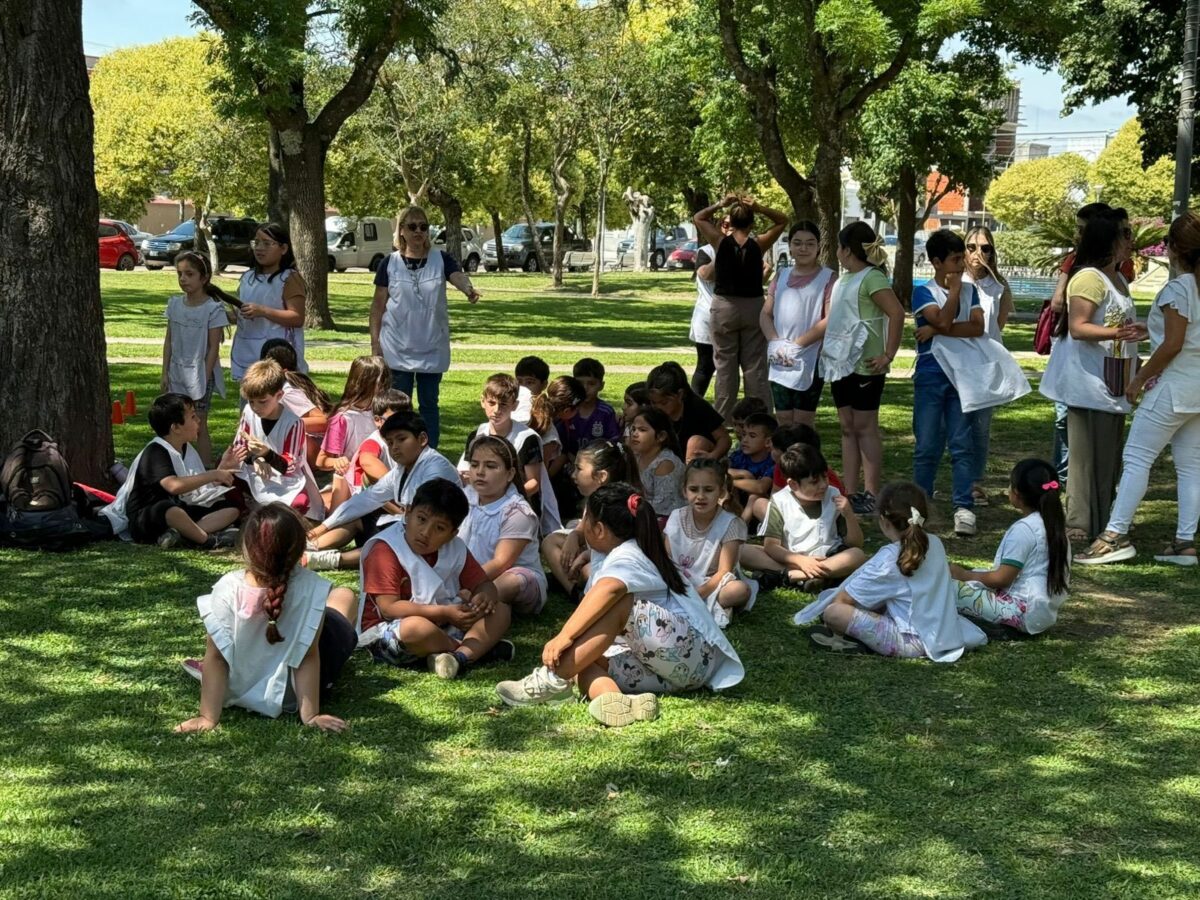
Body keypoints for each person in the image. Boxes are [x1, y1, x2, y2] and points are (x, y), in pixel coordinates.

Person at [495, 483, 744, 728]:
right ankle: (614, 700)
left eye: (585, 522)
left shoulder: (630, 554)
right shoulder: (624, 550)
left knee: (620, 601)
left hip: (693, 657)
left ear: (600, 530)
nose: (581, 529)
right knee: (585, 661)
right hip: (673, 669)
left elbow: (610, 590)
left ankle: (549, 680)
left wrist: (564, 635)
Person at [1074, 213, 1200, 566]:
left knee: (1136, 458)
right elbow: (1182, 336)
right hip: (1196, 389)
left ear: (1173, 249)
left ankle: (1114, 536)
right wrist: (1153, 331)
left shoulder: (1179, 288)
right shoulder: (1193, 288)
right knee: (1191, 466)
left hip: (1174, 389)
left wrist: (1138, 378)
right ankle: (1184, 542)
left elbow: (1174, 343)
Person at [175, 503, 358, 733]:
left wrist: (207, 717)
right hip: (295, 695)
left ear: (246, 548)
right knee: (345, 595)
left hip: (240, 689)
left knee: (340, 600)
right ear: (300, 549)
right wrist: (311, 716)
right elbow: (308, 657)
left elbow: (216, 658)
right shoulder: (312, 588)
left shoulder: (227, 589)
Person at [1040, 212, 1145, 542]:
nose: (1131, 240)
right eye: (1125, 234)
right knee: (1085, 462)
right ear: (1108, 240)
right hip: (1088, 383)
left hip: (1113, 382)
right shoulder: (1088, 278)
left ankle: (1103, 520)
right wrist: (1119, 332)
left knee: (1108, 459)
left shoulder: (1118, 279)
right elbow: (1078, 327)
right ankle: (1079, 524)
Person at [795, 482, 988, 660]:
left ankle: (859, 641)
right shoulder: (935, 544)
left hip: (912, 641)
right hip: (945, 633)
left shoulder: (889, 558)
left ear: (884, 521)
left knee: (834, 613)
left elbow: (843, 601)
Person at [356, 478, 510, 680]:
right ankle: (473, 650)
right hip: (389, 632)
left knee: (501, 610)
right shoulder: (385, 549)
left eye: (439, 528)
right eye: (421, 519)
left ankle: (457, 658)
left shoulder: (455, 548)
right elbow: (388, 608)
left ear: (452, 534)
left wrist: (485, 597)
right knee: (415, 628)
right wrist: (445, 612)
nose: (425, 532)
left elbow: (483, 584)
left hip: (445, 623)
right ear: (408, 512)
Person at [370, 205, 482, 448]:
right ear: (402, 231)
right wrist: (375, 345)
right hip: (397, 346)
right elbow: (378, 306)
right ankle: (398, 449)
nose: (418, 231)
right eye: (412, 226)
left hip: (431, 345)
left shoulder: (440, 259)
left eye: (423, 226)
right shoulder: (389, 263)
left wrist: (468, 289)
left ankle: (429, 452)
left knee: (429, 404)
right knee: (400, 404)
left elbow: (457, 276)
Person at [817, 222, 905, 515]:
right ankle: (850, 491)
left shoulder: (872, 278)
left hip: (867, 365)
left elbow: (896, 312)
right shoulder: (842, 280)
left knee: (865, 426)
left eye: (839, 248)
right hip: (841, 364)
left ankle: (871, 492)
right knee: (847, 426)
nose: (837, 254)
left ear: (846, 249)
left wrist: (887, 355)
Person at [304, 412, 458, 571]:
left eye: (401, 439)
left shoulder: (436, 469)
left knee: (388, 540)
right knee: (359, 516)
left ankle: (330, 560)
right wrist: (320, 529)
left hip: (430, 537)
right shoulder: (401, 470)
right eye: (390, 443)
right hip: (408, 526)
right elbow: (365, 499)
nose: (395, 448)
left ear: (422, 439)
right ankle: (308, 547)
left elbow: (421, 520)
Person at [911, 229, 986, 537]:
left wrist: (936, 330)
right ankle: (920, 504)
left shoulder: (973, 292)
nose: (961, 265)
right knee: (927, 444)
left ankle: (963, 505)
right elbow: (941, 318)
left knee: (961, 443)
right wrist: (953, 294)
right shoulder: (923, 291)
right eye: (955, 259)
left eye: (962, 259)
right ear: (937, 262)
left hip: (961, 377)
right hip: (931, 375)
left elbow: (977, 327)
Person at [100, 393, 239, 549]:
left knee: (231, 509)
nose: (198, 420)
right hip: (147, 518)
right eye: (193, 417)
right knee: (171, 511)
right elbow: (174, 485)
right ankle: (206, 540)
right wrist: (213, 474)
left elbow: (196, 487)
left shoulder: (186, 449)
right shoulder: (156, 451)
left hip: (178, 507)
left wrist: (221, 471)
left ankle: (183, 534)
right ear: (176, 427)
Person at [693, 194, 789, 420]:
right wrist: (759, 206)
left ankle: (723, 419)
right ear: (752, 223)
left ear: (730, 224)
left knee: (725, 366)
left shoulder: (720, 241)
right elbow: (783, 220)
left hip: (724, 306)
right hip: (754, 306)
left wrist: (720, 204)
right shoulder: (759, 244)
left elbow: (699, 217)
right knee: (755, 365)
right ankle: (760, 417)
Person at [951, 459, 1071, 633]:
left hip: (1018, 611)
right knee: (977, 577)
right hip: (1041, 614)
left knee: (947, 589)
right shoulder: (1054, 526)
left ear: (1016, 493)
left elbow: (1002, 578)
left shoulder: (1024, 529)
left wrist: (964, 575)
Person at [1048, 202, 1118, 483]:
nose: (1077, 234)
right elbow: (1062, 308)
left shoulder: (1109, 270)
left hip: (1094, 361)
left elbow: (1060, 304)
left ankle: (1076, 476)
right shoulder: (1077, 265)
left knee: (1076, 419)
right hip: (1073, 354)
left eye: (1081, 229)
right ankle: (1064, 475)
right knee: (1066, 416)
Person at [739, 445, 866, 591]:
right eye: (814, 482)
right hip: (791, 558)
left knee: (857, 555)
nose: (823, 485)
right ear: (793, 484)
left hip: (827, 558)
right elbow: (771, 546)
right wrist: (801, 561)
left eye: (825, 477)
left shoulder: (834, 495)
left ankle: (791, 577)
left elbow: (855, 543)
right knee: (741, 550)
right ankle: (810, 576)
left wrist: (849, 514)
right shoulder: (781, 501)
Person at [459, 436, 548, 617]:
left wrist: (466, 583)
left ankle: (472, 604)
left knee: (511, 579)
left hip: (511, 580)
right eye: (475, 465)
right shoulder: (463, 497)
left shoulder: (517, 512)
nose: (480, 472)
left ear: (510, 474)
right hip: (468, 577)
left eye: (491, 466)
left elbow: (501, 563)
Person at [542, 439, 642, 596]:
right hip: (594, 556)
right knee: (550, 541)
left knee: (587, 572)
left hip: (612, 566)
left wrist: (585, 556)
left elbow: (615, 550)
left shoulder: (617, 507)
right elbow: (582, 529)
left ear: (601, 476)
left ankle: (578, 590)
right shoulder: (593, 500)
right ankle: (575, 591)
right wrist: (574, 536)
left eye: (579, 469)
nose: (573, 475)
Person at [665, 458, 757, 627]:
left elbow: (724, 571)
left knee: (739, 590)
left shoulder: (729, 523)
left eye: (708, 490)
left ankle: (716, 604)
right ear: (684, 491)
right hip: (680, 580)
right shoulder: (676, 516)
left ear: (721, 491)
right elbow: (667, 559)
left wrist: (699, 594)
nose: (700, 496)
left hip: (713, 583)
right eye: (693, 489)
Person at [227, 359, 325, 519]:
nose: (256, 407)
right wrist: (256, 459)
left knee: (300, 502)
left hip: (283, 480)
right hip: (253, 472)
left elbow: (290, 465)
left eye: (262, 402)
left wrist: (267, 454)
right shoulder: (248, 412)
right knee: (226, 477)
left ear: (279, 395)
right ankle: (243, 512)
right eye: (251, 402)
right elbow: (239, 446)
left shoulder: (293, 422)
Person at [459, 374, 556, 533]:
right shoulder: (477, 434)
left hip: (516, 505)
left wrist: (499, 496)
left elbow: (534, 483)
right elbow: (466, 471)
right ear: (483, 401)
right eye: (492, 403)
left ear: (515, 405)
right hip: (480, 501)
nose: (497, 410)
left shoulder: (526, 438)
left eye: (503, 404)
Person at [160, 251, 232, 465]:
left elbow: (212, 349)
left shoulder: (213, 309)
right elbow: (169, 341)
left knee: (198, 426)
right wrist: (164, 372)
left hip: (200, 375)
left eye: (189, 274)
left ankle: (206, 472)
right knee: (175, 425)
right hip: (177, 373)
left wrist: (204, 377)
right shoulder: (174, 305)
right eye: (180, 274)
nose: (183, 279)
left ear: (204, 277)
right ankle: (179, 468)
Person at [761, 221, 834, 427]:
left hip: (810, 358)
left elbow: (829, 319)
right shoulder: (781, 276)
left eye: (810, 244)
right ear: (790, 246)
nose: (804, 248)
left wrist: (797, 346)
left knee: (803, 422)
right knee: (783, 419)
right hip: (779, 357)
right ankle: (784, 459)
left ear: (819, 247)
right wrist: (776, 342)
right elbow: (765, 314)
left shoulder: (828, 278)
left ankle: (805, 459)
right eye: (798, 243)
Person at [961, 226, 1016, 504]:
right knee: (957, 425)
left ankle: (974, 482)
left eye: (985, 248)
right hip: (959, 362)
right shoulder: (955, 281)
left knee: (980, 428)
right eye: (972, 247)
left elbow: (998, 327)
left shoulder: (1000, 286)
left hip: (986, 365)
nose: (978, 253)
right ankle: (953, 479)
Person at [230, 223, 307, 383]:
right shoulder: (248, 278)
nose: (259, 248)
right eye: (256, 242)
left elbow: (297, 317)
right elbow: (240, 315)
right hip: (247, 351)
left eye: (267, 243)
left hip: (278, 355)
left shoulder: (289, 278)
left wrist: (263, 311)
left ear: (283, 249)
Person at [261, 338, 330, 473]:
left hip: (318, 452)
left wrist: (286, 424)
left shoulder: (288, 393)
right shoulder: (282, 388)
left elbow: (323, 421)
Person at [336, 388, 411, 512]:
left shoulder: (410, 440)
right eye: (394, 419)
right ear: (378, 420)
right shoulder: (375, 442)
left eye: (407, 418)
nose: (401, 424)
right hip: (366, 504)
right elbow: (367, 460)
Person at [646, 361, 731, 461]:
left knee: (695, 442)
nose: (658, 407)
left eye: (664, 403)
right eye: (653, 403)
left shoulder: (697, 407)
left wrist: (713, 456)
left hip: (699, 459)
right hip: (671, 460)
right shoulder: (652, 410)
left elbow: (724, 438)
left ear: (680, 394)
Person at [689, 217, 730, 396]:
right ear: (717, 227)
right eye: (726, 225)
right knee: (706, 366)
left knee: (729, 368)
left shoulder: (745, 249)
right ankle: (692, 408)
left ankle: (725, 411)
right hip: (707, 317)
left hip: (733, 318)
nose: (729, 229)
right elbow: (706, 274)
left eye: (734, 225)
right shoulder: (706, 251)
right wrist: (723, 251)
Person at [626, 406, 685, 520]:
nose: (634, 434)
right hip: (641, 514)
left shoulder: (664, 464)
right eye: (633, 429)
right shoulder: (637, 455)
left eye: (642, 430)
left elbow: (662, 509)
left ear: (661, 436)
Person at [559, 358, 622, 454]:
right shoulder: (567, 409)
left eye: (591, 384)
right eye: (580, 383)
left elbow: (613, 442)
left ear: (601, 385)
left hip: (597, 463)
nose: (585, 388)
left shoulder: (606, 412)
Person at [728, 411, 777, 523]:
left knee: (754, 495)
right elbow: (720, 471)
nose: (745, 440)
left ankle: (740, 528)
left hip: (761, 509)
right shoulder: (738, 456)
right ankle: (731, 522)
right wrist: (743, 474)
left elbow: (761, 488)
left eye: (752, 436)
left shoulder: (772, 461)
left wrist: (731, 481)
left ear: (768, 441)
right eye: (744, 434)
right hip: (737, 505)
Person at [514, 355, 551, 424]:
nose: (523, 387)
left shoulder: (549, 413)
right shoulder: (508, 408)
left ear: (544, 385)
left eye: (529, 382)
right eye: (519, 381)